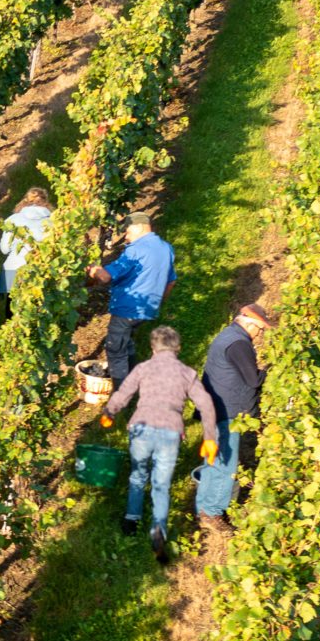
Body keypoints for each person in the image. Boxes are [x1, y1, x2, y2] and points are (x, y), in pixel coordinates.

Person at [99, 324, 219, 562]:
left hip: (141, 428)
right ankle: (158, 530)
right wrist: (209, 438)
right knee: (161, 484)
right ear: (179, 348)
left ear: (153, 347)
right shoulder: (187, 373)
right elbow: (206, 404)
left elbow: (124, 393)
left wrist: (109, 412)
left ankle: (131, 520)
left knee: (137, 475)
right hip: (170, 432)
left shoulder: (143, 368)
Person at [195, 304, 274, 532]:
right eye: (259, 329)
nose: (259, 334)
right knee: (225, 464)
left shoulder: (227, 335)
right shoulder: (239, 344)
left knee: (213, 460)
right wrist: (270, 371)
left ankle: (203, 507)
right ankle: (212, 512)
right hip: (227, 410)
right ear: (248, 323)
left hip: (214, 406)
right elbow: (253, 379)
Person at [88, 209, 175, 383]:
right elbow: (170, 281)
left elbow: (105, 277)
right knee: (126, 344)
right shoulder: (166, 248)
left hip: (128, 308)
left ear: (138, 228)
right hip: (148, 309)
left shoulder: (135, 250)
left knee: (116, 349)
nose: (125, 237)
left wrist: (92, 270)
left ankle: (121, 397)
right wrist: (159, 301)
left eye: (127, 232)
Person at [0, 187, 54, 298]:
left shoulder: (12, 219)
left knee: (11, 310)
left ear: (25, 201)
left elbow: (4, 249)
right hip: (40, 271)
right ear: (46, 202)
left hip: (13, 270)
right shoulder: (52, 222)